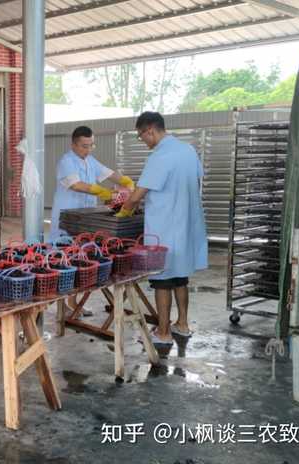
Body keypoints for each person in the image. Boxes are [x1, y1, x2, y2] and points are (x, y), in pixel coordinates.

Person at [117, 112, 208, 345]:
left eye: (141, 136)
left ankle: (164, 333)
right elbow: (195, 180)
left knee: (162, 280)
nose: (143, 141)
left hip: (165, 228)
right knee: (180, 277)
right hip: (185, 225)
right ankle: (183, 325)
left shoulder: (160, 156)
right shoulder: (188, 150)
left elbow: (139, 193)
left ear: (150, 130)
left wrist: (124, 210)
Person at [49, 125, 135, 242]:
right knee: (64, 249)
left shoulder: (90, 160)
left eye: (91, 146)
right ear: (73, 144)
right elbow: (76, 185)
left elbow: (109, 173)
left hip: (86, 215)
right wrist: (102, 192)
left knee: (84, 248)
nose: (88, 150)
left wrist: (126, 181)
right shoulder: (66, 162)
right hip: (68, 216)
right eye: (84, 146)